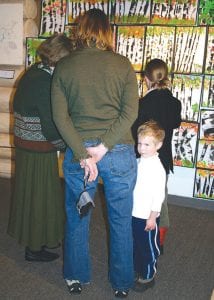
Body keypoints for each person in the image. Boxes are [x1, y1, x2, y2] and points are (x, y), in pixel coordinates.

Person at [51, 8, 139, 298]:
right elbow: (130, 112)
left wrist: (85, 154)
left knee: (77, 217)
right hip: (119, 151)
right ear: (106, 32)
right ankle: (122, 284)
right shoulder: (122, 64)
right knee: (120, 219)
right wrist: (105, 147)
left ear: (80, 30)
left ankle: (75, 277)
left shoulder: (64, 67)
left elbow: (61, 118)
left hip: (80, 155)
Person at [7, 34, 73, 262]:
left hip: (26, 143)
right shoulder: (45, 82)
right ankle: (34, 248)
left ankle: (38, 238)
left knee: (32, 193)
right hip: (38, 146)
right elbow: (51, 124)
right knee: (41, 195)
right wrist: (67, 148)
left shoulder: (34, 73)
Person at [132, 58, 182, 254]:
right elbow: (176, 124)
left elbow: (135, 131)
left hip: (145, 159)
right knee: (161, 197)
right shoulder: (174, 103)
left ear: (146, 79)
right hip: (164, 157)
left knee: (143, 198)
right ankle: (159, 238)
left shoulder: (143, 104)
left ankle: (147, 236)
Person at [132, 120, 166, 292]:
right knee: (136, 244)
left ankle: (148, 275)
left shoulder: (157, 168)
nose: (142, 148)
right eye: (140, 143)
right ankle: (139, 269)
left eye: (147, 144)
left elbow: (158, 195)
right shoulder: (139, 162)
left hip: (147, 216)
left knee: (148, 247)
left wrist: (153, 217)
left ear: (158, 145)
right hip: (134, 213)